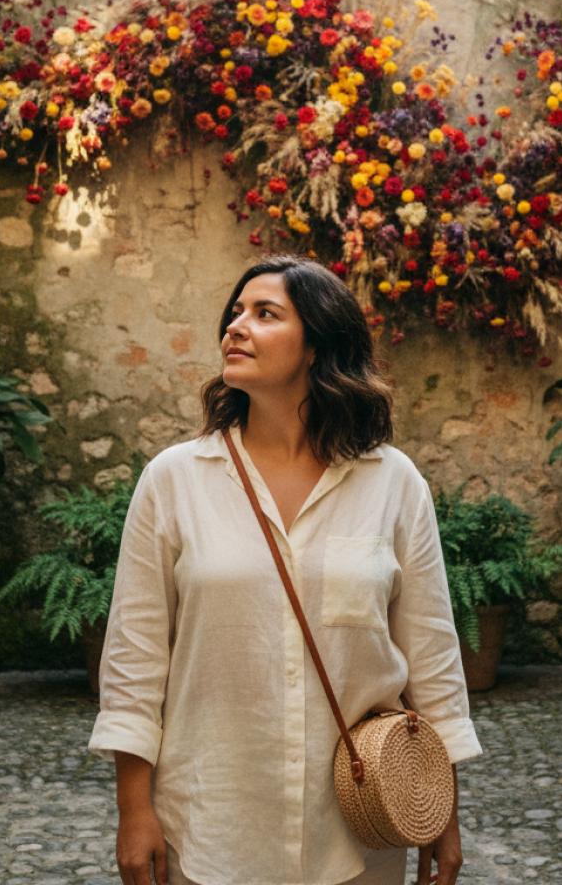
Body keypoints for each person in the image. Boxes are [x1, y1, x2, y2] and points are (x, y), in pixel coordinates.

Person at [88, 254, 482, 885]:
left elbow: (432, 658)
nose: (235, 328)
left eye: (264, 314)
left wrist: (443, 814)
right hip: (210, 826)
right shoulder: (175, 481)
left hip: (358, 830)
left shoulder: (392, 483)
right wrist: (134, 811)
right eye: (234, 313)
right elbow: (135, 662)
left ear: (318, 347)